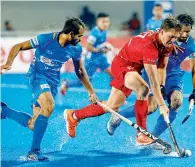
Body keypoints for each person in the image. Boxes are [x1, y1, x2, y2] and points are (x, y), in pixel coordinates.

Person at [63, 16, 182, 145]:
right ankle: (141, 134)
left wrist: (162, 86)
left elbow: (162, 67)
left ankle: (74, 115)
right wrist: (163, 106)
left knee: (111, 106)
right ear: (162, 31)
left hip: (134, 68)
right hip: (122, 65)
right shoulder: (150, 46)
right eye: (171, 36)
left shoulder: (167, 43)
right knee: (143, 89)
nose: (173, 40)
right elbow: (153, 81)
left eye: (175, 37)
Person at [0, 17, 97, 161]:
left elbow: (80, 71)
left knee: (34, 124)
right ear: (70, 34)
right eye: (79, 36)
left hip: (52, 82)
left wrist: (91, 91)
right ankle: (34, 152)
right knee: (49, 105)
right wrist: (8, 63)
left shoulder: (76, 49)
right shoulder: (46, 39)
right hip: (37, 76)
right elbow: (18, 46)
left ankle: (4, 110)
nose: (80, 39)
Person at [107, 14, 195, 143]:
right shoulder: (163, 35)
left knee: (177, 102)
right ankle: (119, 115)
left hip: (173, 75)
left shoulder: (192, 45)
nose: (184, 35)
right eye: (182, 31)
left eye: (188, 32)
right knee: (151, 107)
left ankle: (152, 137)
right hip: (153, 70)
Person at [61, 13, 113, 95]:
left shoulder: (104, 31)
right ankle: (66, 84)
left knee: (113, 73)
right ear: (98, 22)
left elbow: (101, 44)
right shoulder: (94, 33)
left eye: (107, 21)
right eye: (103, 21)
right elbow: (88, 47)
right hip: (92, 60)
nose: (105, 24)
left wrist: (107, 46)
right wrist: (101, 50)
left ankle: (115, 95)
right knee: (83, 82)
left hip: (101, 58)